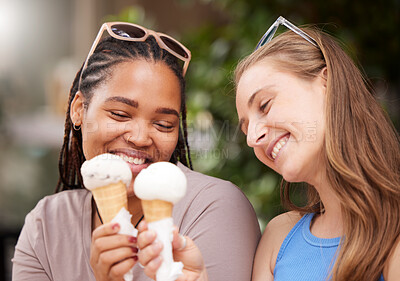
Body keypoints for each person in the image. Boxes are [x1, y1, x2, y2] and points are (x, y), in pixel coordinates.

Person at [138, 16, 400, 281]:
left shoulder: (393, 233)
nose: (253, 138)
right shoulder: (279, 236)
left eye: (265, 105)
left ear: (326, 83)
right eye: (245, 129)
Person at [12, 22, 261, 281]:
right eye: (120, 114)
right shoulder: (46, 225)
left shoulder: (214, 207)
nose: (141, 138)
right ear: (79, 109)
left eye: (164, 124)